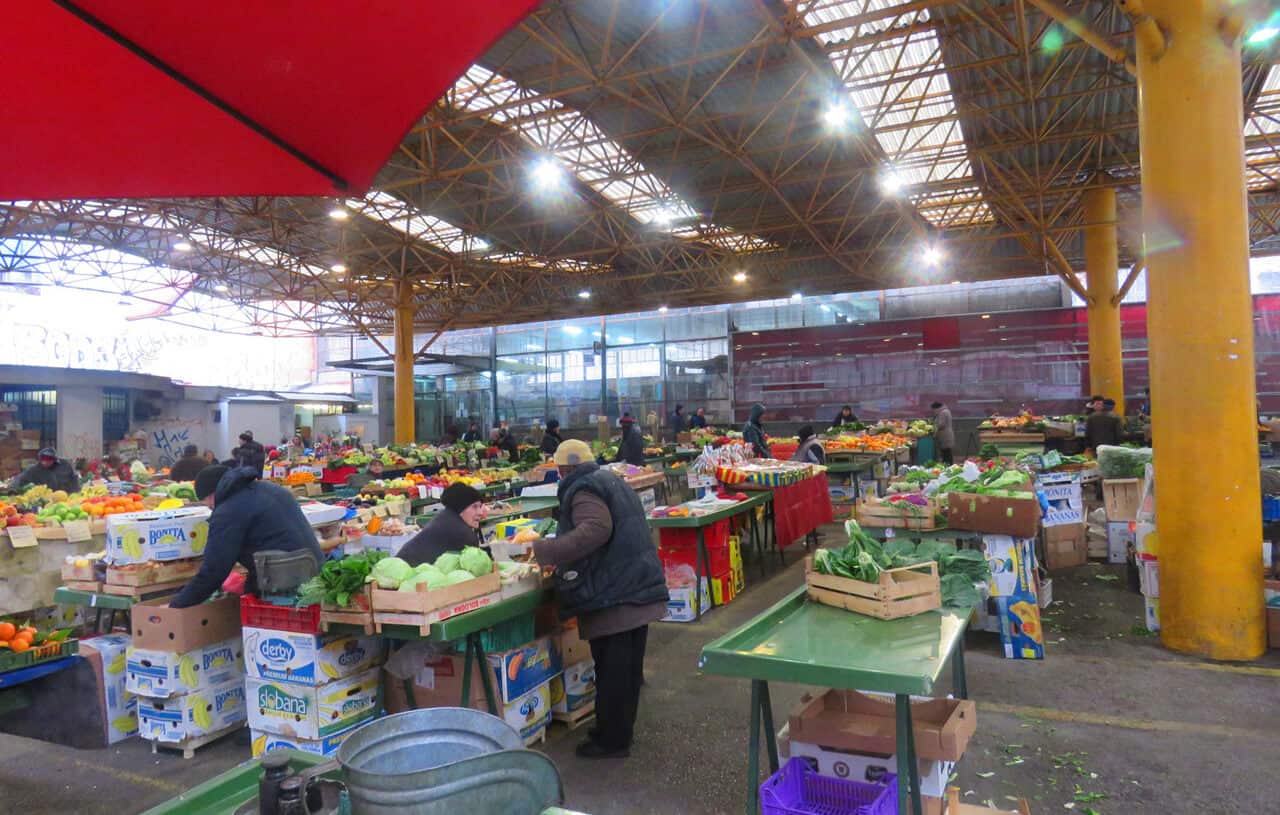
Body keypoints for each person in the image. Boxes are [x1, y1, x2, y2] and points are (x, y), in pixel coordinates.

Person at [532, 440, 667, 759]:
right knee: (626, 670)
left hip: (614, 595)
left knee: (613, 672)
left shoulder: (583, 489)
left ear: (563, 470)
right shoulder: (610, 480)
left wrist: (547, 551)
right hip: (635, 586)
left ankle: (612, 740)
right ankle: (616, 733)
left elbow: (595, 528)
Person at [169, 465, 322, 608]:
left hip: (282, 584)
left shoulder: (228, 511)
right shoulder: (270, 488)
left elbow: (214, 571)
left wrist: (176, 605)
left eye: (208, 504)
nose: (210, 508)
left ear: (212, 494)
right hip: (312, 573)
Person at [398, 483, 486, 566]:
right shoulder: (463, 534)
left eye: (480, 506)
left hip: (401, 566)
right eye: (474, 507)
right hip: (410, 575)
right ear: (460, 509)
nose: (480, 512)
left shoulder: (445, 517)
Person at [10, 447, 80, 493]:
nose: (45, 462)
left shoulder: (65, 465)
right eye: (43, 460)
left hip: (66, 498)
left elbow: (74, 478)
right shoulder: (34, 469)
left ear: (54, 459)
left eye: (48, 460)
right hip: (47, 501)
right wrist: (13, 489)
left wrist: (76, 492)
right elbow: (20, 478)